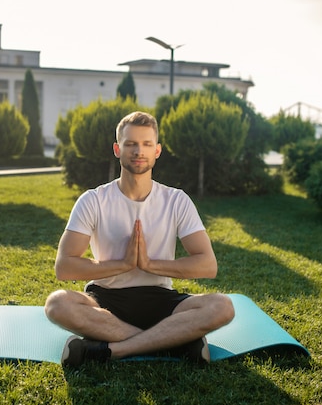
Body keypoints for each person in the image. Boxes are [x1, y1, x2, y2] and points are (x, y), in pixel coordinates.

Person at [44, 111, 234, 367]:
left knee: (222, 306)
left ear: (157, 151)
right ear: (117, 149)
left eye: (146, 144)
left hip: (160, 299)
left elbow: (207, 266)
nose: (138, 151)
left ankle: (110, 350)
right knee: (58, 304)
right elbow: (64, 267)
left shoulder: (176, 200)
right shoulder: (93, 200)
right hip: (105, 297)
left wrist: (149, 264)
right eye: (130, 144)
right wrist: (123, 264)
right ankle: (174, 344)